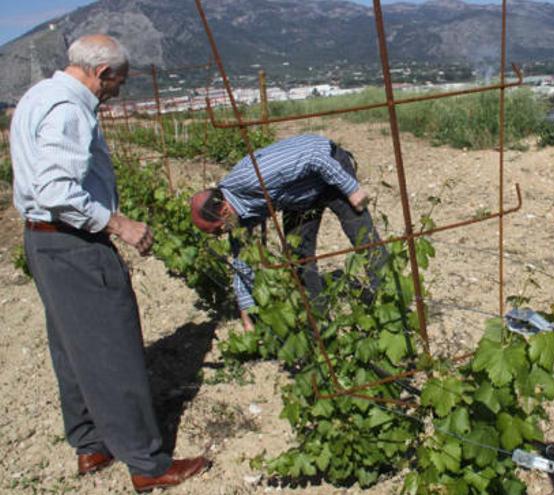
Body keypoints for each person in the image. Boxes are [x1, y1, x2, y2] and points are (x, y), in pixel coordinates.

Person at [10, 34, 208, 492]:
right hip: (75, 244)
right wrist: (119, 224)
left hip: (43, 244)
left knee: (71, 346)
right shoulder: (69, 109)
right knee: (113, 350)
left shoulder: (38, 95)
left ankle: (90, 444)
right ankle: (148, 464)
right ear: (102, 73)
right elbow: (57, 192)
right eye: (118, 81)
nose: (119, 89)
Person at [189, 135, 387, 330]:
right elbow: (241, 256)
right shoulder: (235, 214)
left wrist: (352, 189)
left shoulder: (252, 177)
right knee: (298, 256)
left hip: (329, 171)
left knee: (364, 238)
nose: (222, 234)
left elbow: (314, 157)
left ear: (224, 210)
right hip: (297, 196)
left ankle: (388, 302)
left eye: (219, 230)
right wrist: (246, 307)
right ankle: (320, 323)